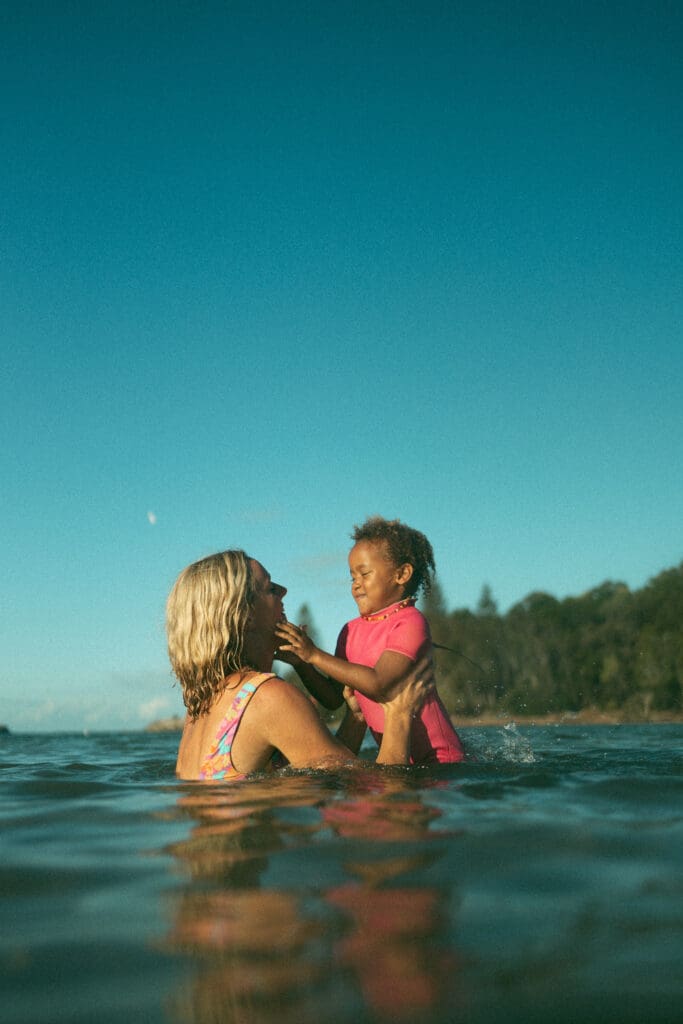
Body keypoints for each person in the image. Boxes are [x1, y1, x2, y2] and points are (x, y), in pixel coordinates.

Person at [165, 549, 434, 781]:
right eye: (271, 588)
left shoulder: (200, 705)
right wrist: (399, 714)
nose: (284, 591)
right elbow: (377, 788)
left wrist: (356, 719)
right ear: (243, 614)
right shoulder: (269, 697)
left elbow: (319, 774)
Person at [276, 516, 465, 764]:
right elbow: (333, 699)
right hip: (396, 760)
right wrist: (302, 663)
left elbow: (379, 684)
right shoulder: (350, 631)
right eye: (352, 577)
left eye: (365, 574)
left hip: (440, 761)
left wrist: (314, 654)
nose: (356, 585)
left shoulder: (410, 622)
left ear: (402, 574)